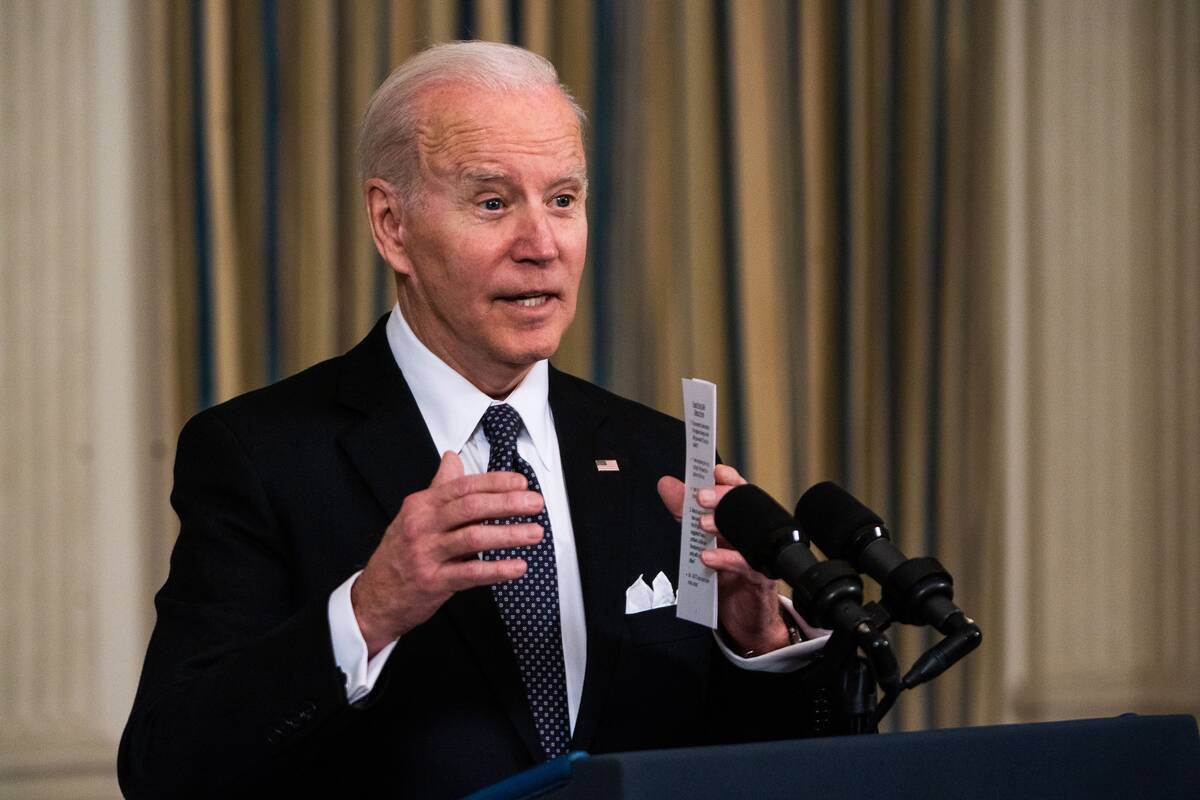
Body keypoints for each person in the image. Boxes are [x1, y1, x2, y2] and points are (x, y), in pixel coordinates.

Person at [118, 41, 827, 799]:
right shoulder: (261, 454)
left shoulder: (656, 451)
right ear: (392, 225)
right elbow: (166, 767)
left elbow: (745, 762)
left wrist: (758, 643)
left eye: (563, 199)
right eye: (492, 202)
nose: (541, 245)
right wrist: (368, 610)